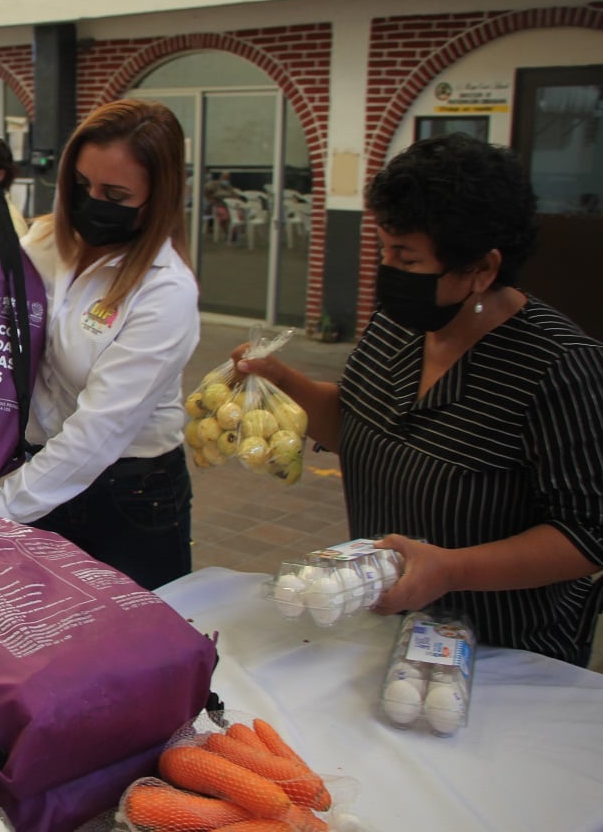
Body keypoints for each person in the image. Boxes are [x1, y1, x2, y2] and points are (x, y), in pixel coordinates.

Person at [235, 134, 603, 665]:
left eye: (405, 259)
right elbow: (354, 425)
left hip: (505, 649)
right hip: (385, 627)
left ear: (481, 268)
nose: (387, 271)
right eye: (383, 250)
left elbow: (586, 531)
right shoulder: (400, 325)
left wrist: (453, 569)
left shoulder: (558, 367)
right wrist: (278, 381)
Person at [0, 99, 201, 591]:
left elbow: (97, 436)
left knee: (133, 653)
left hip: (128, 497)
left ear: (158, 197)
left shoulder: (164, 291)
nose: (91, 201)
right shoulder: (46, 244)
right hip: (36, 472)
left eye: (114, 193)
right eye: (81, 184)